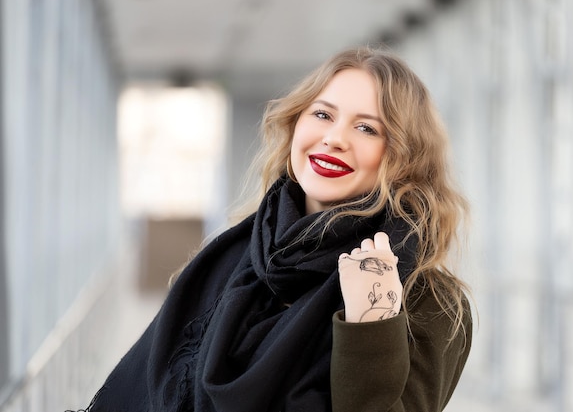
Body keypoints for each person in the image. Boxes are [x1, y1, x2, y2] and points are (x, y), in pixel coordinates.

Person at [71, 46, 473, 412]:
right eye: (323, 114)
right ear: (295, 125)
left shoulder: (427, 299)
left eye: (367, 128)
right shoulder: (229, 260)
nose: (334, 139)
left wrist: (371, 328)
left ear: (404, 158)